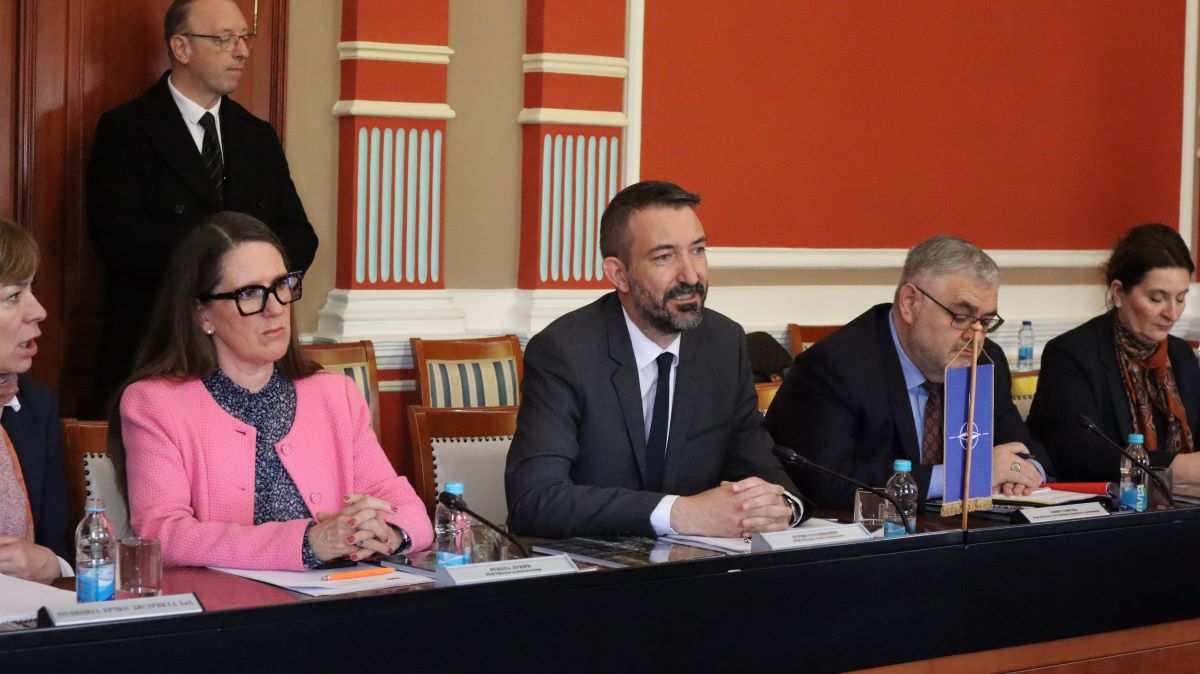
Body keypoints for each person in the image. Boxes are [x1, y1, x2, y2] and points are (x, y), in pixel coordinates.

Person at [113, 212, 429, 570]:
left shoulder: (333, 394)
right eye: (250, 293)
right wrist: (308, 543)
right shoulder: (154, 403)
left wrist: (389, 532)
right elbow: (162, 534)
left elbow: (407, 509)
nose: (276, 308)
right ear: (203, 314)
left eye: (281, 285)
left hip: (340, 594)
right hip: (224, 602)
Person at [505, 181, 805, 539]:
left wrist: (781, 506)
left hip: (699, 565)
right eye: (664, 257)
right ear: (619, 274)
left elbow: (761, 467)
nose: (691, 275)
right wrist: (680, 513)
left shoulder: (722, 344)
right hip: (592, 565)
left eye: (698, 250)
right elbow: (534, 500)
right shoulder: (565, 352)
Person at [86, 0, 318, 403]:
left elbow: (300, 235)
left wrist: (253, 285)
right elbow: (117, 235)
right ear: (182, 48)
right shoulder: (126, 129)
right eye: (225, 39)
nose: (241, 51)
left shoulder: (256, 136)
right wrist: (219, 271)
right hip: (159, 349)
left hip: (249, 360)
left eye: (244, 38)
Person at [766, 235, 1054, 510]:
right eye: (961, 316)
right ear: (910, 303)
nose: (975, 336)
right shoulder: (835, 366)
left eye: (986, 321)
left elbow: (1027, 451)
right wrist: (962, 476)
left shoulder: (984, 361)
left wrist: (1024, 472)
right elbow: (825, 482)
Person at [1028, 224, 1200, 482]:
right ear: (1119, 293)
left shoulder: (1181, 355)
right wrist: (1175, 467)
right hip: (1105, 502)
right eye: (1157, 298)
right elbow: (1076, 454)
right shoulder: (1070, 354)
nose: (1172, 314)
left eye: (1180, 298)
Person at [0, 219, 72, 583]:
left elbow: (58, 550)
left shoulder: (34, 404)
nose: (39, 310)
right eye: (14, 296)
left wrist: (51, 565)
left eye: (32, 289)